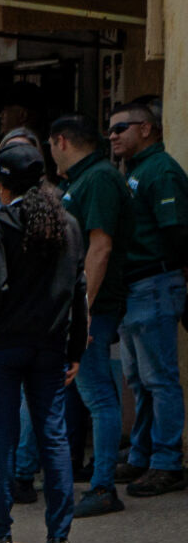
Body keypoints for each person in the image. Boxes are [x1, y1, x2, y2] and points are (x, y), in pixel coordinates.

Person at [0, 141, 83, 543]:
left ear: (2, 184)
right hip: (50, 345)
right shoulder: (68, 226)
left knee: (2, 439)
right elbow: (79, 293)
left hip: (4, 346)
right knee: (53, 436)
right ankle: (58, 539)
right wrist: (76, 349)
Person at [108, 99, 188, 497]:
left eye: (120, 127)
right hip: (135, 288)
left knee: (159, 380)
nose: (112, 136)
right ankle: (142, 455)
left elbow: (177, 234)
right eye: (110, 129)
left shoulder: (161, 170)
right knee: (140, 381)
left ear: (146, 128)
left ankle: (167, 462)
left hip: (154, 283)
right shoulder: (135, 171)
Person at [47, 116, 126, 513]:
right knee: (82, 391)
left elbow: (100, 247)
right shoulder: (83, 180)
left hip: (95, 306)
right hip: (78, 304)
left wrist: (85, 310)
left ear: (61, 141)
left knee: (97, 393)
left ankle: (103, 487)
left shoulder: (98, 179)